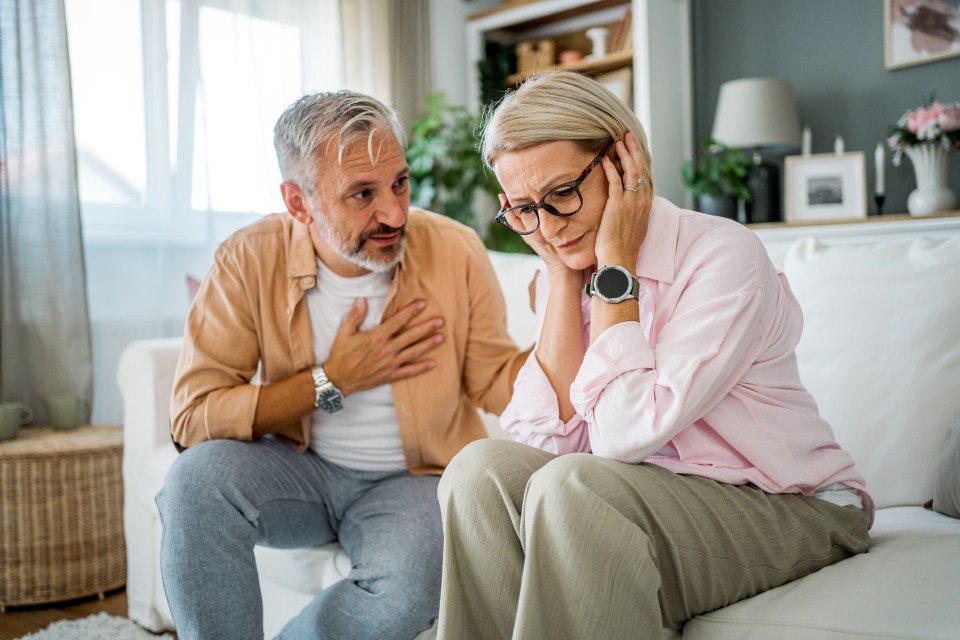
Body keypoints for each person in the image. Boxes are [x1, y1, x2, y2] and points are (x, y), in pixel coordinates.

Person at [436, 71, 874, 640]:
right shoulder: (566, 270)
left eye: (562, 194)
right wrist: (563, 281)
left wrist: (616, 265)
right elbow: (541, 447)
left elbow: (622, 437)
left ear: (624, 159)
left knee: (574, 489)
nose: (548, 226)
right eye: (524, 209)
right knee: (477, 471)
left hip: (795, 506)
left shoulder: (722, 256)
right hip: (652, 497)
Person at [156, 90, 527, 640]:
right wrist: (332, 379)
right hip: (298, 469)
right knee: (192, 484)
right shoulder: (248, 256)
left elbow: (494, 377)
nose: (395, 213)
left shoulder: (454, 249)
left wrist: (573, 310)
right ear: (299, 202)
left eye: (400, 182)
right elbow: (192, 418)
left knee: (410, 586)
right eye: (362, 194)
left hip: (415, 479)